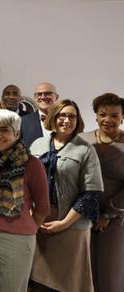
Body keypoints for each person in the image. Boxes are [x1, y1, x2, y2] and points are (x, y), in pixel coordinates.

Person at [29, 99, 103, 292]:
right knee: (38, 280)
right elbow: (25, 183)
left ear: (78, 120)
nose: (67, 120)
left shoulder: (86, 149)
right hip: (41, 223)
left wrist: (64, 223)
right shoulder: (37, 145)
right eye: (62, 115)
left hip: (72, 225)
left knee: (70, 282)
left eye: (72, 116)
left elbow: (90, 193)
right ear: (54, 117)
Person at [0, 109, 50, 292]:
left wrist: (26, 228)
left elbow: (42, 208)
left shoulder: (32, 164)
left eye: (4, 130)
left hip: (18, 239)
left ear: (17, 133)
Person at [80, 93, 124, 292]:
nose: (108, 119)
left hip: (116, 217)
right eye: (103, 114)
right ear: (96, 116)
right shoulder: (82, 140)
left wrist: (108, 214)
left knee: (111, 271)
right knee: (84, 270)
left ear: (122, 117)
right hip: (82, 213)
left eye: (114, 115)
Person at [20, 82, 59, 146]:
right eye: (39, 94)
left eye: (47, 93)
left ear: (56, 97)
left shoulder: (65, 119)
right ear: (35, 98)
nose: (43, 97)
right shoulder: (23, 121)